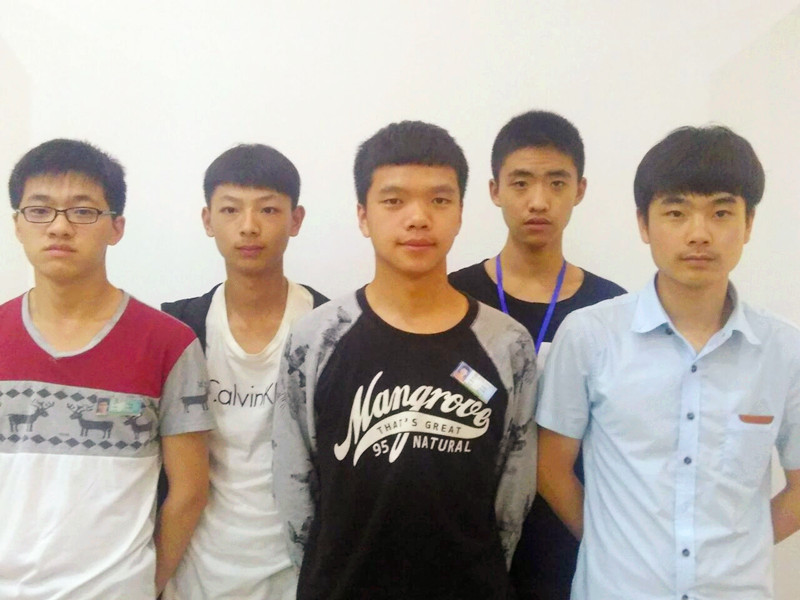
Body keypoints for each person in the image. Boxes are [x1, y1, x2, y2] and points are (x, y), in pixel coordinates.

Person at [273, 121, 538, 600]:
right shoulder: (316, 339)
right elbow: (295, 486)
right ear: (363, 215)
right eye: (394, 201)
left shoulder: (507, 344)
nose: (418, 218)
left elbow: (512, 497)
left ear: (460, 213)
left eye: (439, 200)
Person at [536, 125, 800, 599]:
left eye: (721, 212)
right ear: (644, 224)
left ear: (749, 224)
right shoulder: (590, 335)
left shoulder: (785, 350)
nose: (699, 234)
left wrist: (743, 548)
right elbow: (549, 467)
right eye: (676, 213)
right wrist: (611, 546)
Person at [0, 139, 212, 600]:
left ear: (116, 227)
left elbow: (190, 489)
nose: (59, 227)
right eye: (39, 210)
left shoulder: (169, 344)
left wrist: (145, 584)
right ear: (17, 224)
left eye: (82, 211)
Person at [449, 110, 624, 599]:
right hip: (469, 537)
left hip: (571, 541)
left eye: (557, 183)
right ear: (494, 190)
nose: (539, 201)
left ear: (580, 190)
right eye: (521, 183)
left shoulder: (611, 309)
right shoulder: (452, 297)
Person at [161, 144, 326, 600]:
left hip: (299, 572)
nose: (249, 226)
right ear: (207, 219)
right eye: (230, 209)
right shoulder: (179, 329)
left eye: (268, 209)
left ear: (296, 219)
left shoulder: (331, 328)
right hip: (197, 572)